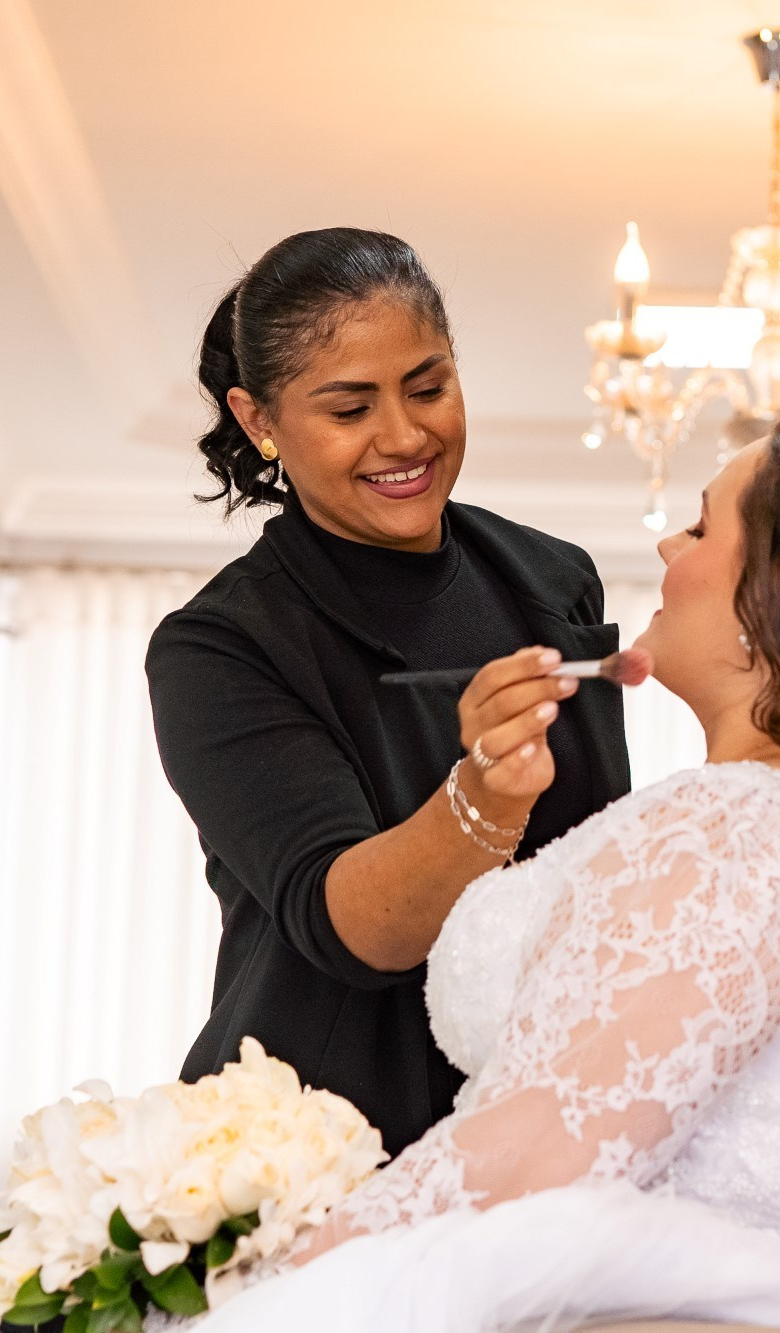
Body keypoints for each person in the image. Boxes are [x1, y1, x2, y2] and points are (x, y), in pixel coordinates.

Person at [183, 411, 780, 1331]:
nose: (672, 541)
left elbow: (524, 1163)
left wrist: (249, 1297)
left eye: (706, 527)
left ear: (778, 597)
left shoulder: (740, 831)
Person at [147, 228, 630, 1161]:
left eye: (428, 386)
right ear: (260, 420)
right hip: (324, 1141)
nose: (405, 437)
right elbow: (357, 929)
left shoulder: (551, 577)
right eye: (350, 407)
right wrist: (483, 794)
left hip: (543, 1116)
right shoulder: (221, 646)